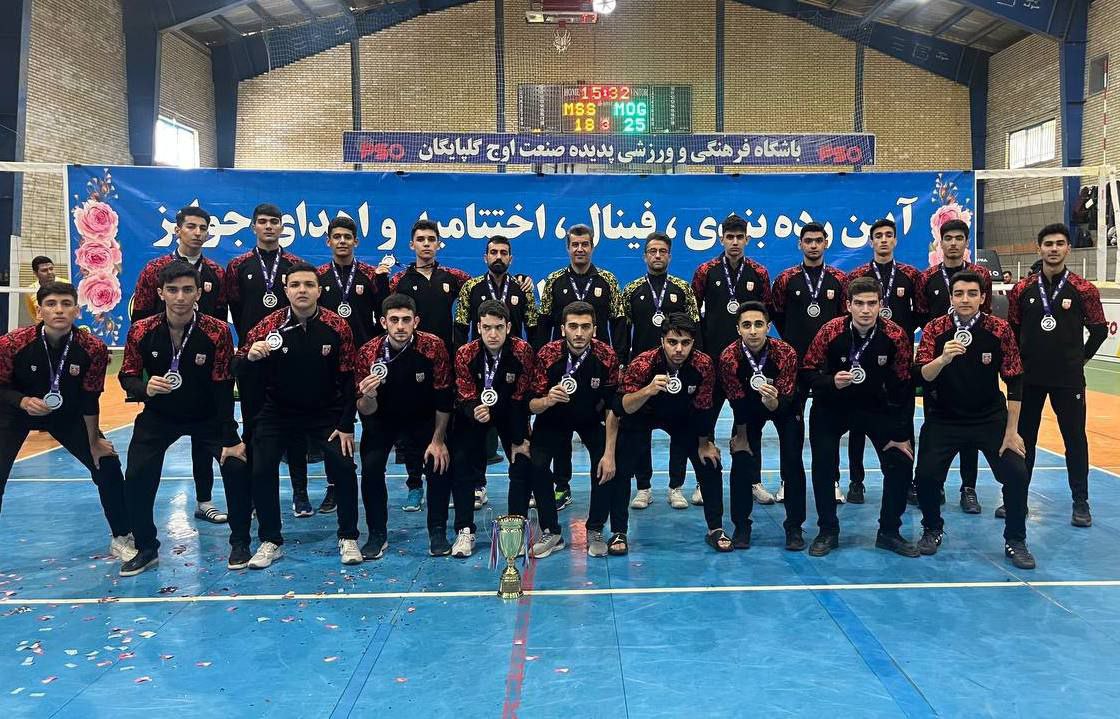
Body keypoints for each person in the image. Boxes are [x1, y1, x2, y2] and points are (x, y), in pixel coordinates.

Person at [117, 262, 251, 575]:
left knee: (236, 466)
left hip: (207, 415)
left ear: (198, 294)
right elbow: (127, 375)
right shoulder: (142, 330)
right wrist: (144, 388)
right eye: (173, 290)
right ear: (160, 293)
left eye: (187, 290)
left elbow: (222, 385)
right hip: (160, 415)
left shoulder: (217, 331)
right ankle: (146, 546)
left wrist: (230, 437)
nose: (180, 297)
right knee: (136, 475)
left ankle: (240, 542)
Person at [236, 262, 362, 568]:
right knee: (261, 469)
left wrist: (346, 424)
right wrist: (250, 356)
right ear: (286, 290)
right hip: (277, 412)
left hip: (325, 413)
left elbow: (349, 378)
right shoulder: (268, 326)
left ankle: (348, 537)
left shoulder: (337, 326)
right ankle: (270, 540)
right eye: (295, 285)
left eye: (308, 285)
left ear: (319, 290)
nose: (302, 290)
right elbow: (236, 363)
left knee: (344, 466)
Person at [0, 281, 133, 561]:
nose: (59, 310)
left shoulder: (93, 349)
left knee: (107, 464)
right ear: (39, 311)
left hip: (67, 415)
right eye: (51, 304)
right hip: (16, 412)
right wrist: (22, 401)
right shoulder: (12, 343)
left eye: (66, 304)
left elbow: (89, 398)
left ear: (77, 311)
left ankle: (122, 536)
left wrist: (94, 441)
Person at [913, 271, 1035, 569]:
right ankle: (932, 528)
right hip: (944, 418)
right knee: (925, 476)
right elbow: (921, 377)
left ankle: (1016, 539)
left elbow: (1015, 380)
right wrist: (942, 359)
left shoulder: (999, 329)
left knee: (1017, 473)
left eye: (971, 293)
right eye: (959, 294)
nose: (965, 299)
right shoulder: (935, 329)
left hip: (989, 418)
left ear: (982, 298)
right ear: (951, 297)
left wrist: (1012, 431)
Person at [801, 276, 918, 558]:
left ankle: (889, 531)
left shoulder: (896, 335)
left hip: (876, 408)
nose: (866, 310)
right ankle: (827, 530)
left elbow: (904, 385)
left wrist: (901, 434)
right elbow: (806, 372)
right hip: (832, 408)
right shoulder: (830, 331)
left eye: (872, 303)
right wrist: (830, 382)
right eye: (859, 303)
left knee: (901, 462)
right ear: (848, 305)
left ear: (881, 305)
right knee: (823, 466)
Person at [131, 206, 230, 525]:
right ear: (178, 230)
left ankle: (204, 501)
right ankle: (140, 519)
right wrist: (145, 376)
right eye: (191, 226)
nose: (197, 233)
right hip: (163, 365)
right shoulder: (154, 269)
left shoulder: (215, 271)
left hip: (201, 363)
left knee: (204, 435)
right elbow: (140, 317)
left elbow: (220, 315)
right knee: (153, 437)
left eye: (203, 228)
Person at [1007, 223, 1108, 528]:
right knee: (1024, 439)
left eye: (1059, 243)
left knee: (1074, 439)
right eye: (1048, 244)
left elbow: (1099, 330)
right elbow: (1012, 330)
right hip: (1030, 378)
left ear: (1068, 248)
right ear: (1039, 248)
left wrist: (1080, 360)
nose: (1053, 249)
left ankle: (1081, 501)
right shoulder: (1022, 289)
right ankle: (1017, 499)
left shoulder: (1083, 289)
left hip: (1068, 380)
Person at [223, 203, 314, 517]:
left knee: (296, 428)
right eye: (262, 222)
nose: (269, 226)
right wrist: (252, 343)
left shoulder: (295, 265)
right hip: (255, 356)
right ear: (253, 227)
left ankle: (300, 492)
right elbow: (236, 308)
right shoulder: (238, 266)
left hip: (292, 357)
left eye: (274, 221)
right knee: (253, 427)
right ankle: (254, 493)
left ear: (282, 227)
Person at [614, 314, 728, 552]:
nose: (678, 349)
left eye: (685, 343)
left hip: (683, 418)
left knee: (710, 463)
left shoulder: (703, 364)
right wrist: (648, 390)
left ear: (693, 343)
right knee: (621, 465)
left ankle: (715, 529)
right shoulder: (643, 363)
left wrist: (704, 443)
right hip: (642, 415)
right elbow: (622, 407)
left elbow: (704, 406)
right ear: (662, 341)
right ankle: (618, 532)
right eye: (672, 342)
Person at [355, 293, 454, 558]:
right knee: (371, 468)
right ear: (383, 322)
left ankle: (437, 531)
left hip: (423, 417)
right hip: (382, 419)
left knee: (439, 462)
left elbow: (444, 397)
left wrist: (438, 440)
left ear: (416, 321)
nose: (400, 326)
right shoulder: (368, 353)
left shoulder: (433, 347)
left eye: (406, 320)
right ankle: (376, 534)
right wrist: (369, 395)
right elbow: (365, 409)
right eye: (394, 320)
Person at [536, 225, 624, 511]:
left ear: (592, 246)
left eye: (585, 244)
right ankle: (562, 486)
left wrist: (620, 359)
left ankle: (603, 490)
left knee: (595, 426)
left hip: (596, 368)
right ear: (567, 247)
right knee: (560, 430)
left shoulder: (607, 280)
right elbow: (544, 322)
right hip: (562, 367)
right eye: (574, 244)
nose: (580, 249)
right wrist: (541, 360)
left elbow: (618, 321)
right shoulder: (554, 281)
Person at [388, 220, 470, 513]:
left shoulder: (453, 277)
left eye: (431, 239)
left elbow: (482, 287)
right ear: (412, 244)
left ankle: (446, 480)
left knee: (445, 423)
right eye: (420, 239)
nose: (426, 244)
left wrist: (521, 280)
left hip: (444, 361)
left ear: (438, 244)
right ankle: (414, 485)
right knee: (410, 426)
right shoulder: (399, 280)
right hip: (409, 360)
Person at [527, 301, 619, 559]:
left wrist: (610, 452)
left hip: (591, 418)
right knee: (537, 464)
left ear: (595, 330)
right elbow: (531, 404)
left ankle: (595, 529)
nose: (579, 333)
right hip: (553, 417)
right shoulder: (547, 355)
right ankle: (551, 531)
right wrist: (547, 400)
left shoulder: (606, 356)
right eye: (573, 326)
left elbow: (613, 407)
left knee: (605, 464)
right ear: (563, 329)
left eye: (585, 327)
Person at [691, 214, 771, 506]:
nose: (735, 242)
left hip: (748, 365)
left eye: (740, 237)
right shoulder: (706, 271)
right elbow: (693, 313)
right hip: (713, 362)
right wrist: (701, 354)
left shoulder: (759, 272)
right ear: (721, 238)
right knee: (706, 423)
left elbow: (765, 315)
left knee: (750, 423)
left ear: (747, 239)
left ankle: (753, 480)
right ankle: (703, 482)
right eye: (730, 237)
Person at [452, 235, 538, 508]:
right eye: (493, 252)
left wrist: (533, 362)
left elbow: (533, 326)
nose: (498, 256)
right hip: (480, 369)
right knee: (475, 432)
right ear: (485, 257)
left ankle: (526, 486)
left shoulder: (523, 287)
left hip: (512, 370)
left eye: (503, 252)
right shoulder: (471, 288)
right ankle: (478, 486)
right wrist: (463, 359)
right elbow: (460, 326)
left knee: (519, 433)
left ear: (511, 258)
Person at [616, 232, 700, 511]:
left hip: (677, 370)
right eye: (652, 251)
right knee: (640, 431)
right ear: (645, 256)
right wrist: (623, 364)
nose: (657, 255)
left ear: (670, 256)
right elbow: (623, 331)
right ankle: (644, 487)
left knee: (680, 430)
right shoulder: (631, 290)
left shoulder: (682, 289)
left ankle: (676, 487)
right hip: (643, 372)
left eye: (662, 251)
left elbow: (694, 330)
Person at [842, 218, 922, 504]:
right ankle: (856, 481)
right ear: (871, 241)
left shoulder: (910, 275)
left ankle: (908, 481)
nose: (884, 240)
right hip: (861, 357)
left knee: (904, 419)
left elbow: (921, 312)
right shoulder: (857, 275)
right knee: (857, 423)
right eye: (878, 236)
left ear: (895, 240)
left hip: (897, 359)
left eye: (889, 235)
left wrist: (900, 334)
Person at [316, 216, 390, 515]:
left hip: (366, 362)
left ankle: (374, 479)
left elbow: (384, 314)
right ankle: (334, 486)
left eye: (347, 236)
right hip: (330, 364)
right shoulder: (319, 277)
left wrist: (383, 282)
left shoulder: (371, 275)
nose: (342, 241)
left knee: (374, 423)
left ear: (356, 241)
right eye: (337, 236)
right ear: (328, 241)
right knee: (334, 427)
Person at [450, 300, 536, 557]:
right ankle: (465, 530)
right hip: (475, 414)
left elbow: (521, 396)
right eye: (487, 327)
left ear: (508, 327)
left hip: (511, 414)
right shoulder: (465, 353)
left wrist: (519, 438)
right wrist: (474, 409)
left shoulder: (522, 351)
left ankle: (515, 529)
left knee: (522, 460)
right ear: (478, 327)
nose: (493, 334)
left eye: (499, 327)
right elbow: (464, 394)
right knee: (462, 462)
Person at [915, 219, 990, 511]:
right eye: (948, 238)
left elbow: (985, 315)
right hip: (939, 362)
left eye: (959, 238)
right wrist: (935, 353)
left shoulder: (980, 275)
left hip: (973, 362)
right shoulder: (927, 278)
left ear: (966, 242)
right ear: (941, 242)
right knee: (934, 427)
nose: (954, 243)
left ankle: (968, 488)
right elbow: (922, 317)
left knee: (970, 430)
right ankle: (934, 484)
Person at [771, 222, 848, 505]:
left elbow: (845, 320)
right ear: (800, 244)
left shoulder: (840, 279)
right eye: (808, 241)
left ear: (826, 243)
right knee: (790, 426)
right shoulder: (785, 279)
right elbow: (778, 315)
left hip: (827, 366)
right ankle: (787, 481)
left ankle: (833, 481)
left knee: (829, 426)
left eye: (818, 240)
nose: (813, 245)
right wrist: (793, 343)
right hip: (794, 364)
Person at [719, 302, 806, 550]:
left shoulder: (785, 352)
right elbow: (736, 401)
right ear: (738, 329)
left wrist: (773, 402)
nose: (753, 331)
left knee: (793, 461)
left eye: (759, 324)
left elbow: (787, 399)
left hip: (785, 407)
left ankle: (794, 527)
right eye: (746, 325)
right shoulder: (729, 357)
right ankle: (741, 526)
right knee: (741, 460)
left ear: (768, 327)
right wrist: (741, 436)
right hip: (747, 410)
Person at [22, 256, 57, 326]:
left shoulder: (67, 284)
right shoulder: (30, 291)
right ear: (35, 273)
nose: (49, 272)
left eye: (51, 269)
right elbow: (33, 313)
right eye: (44, 270)